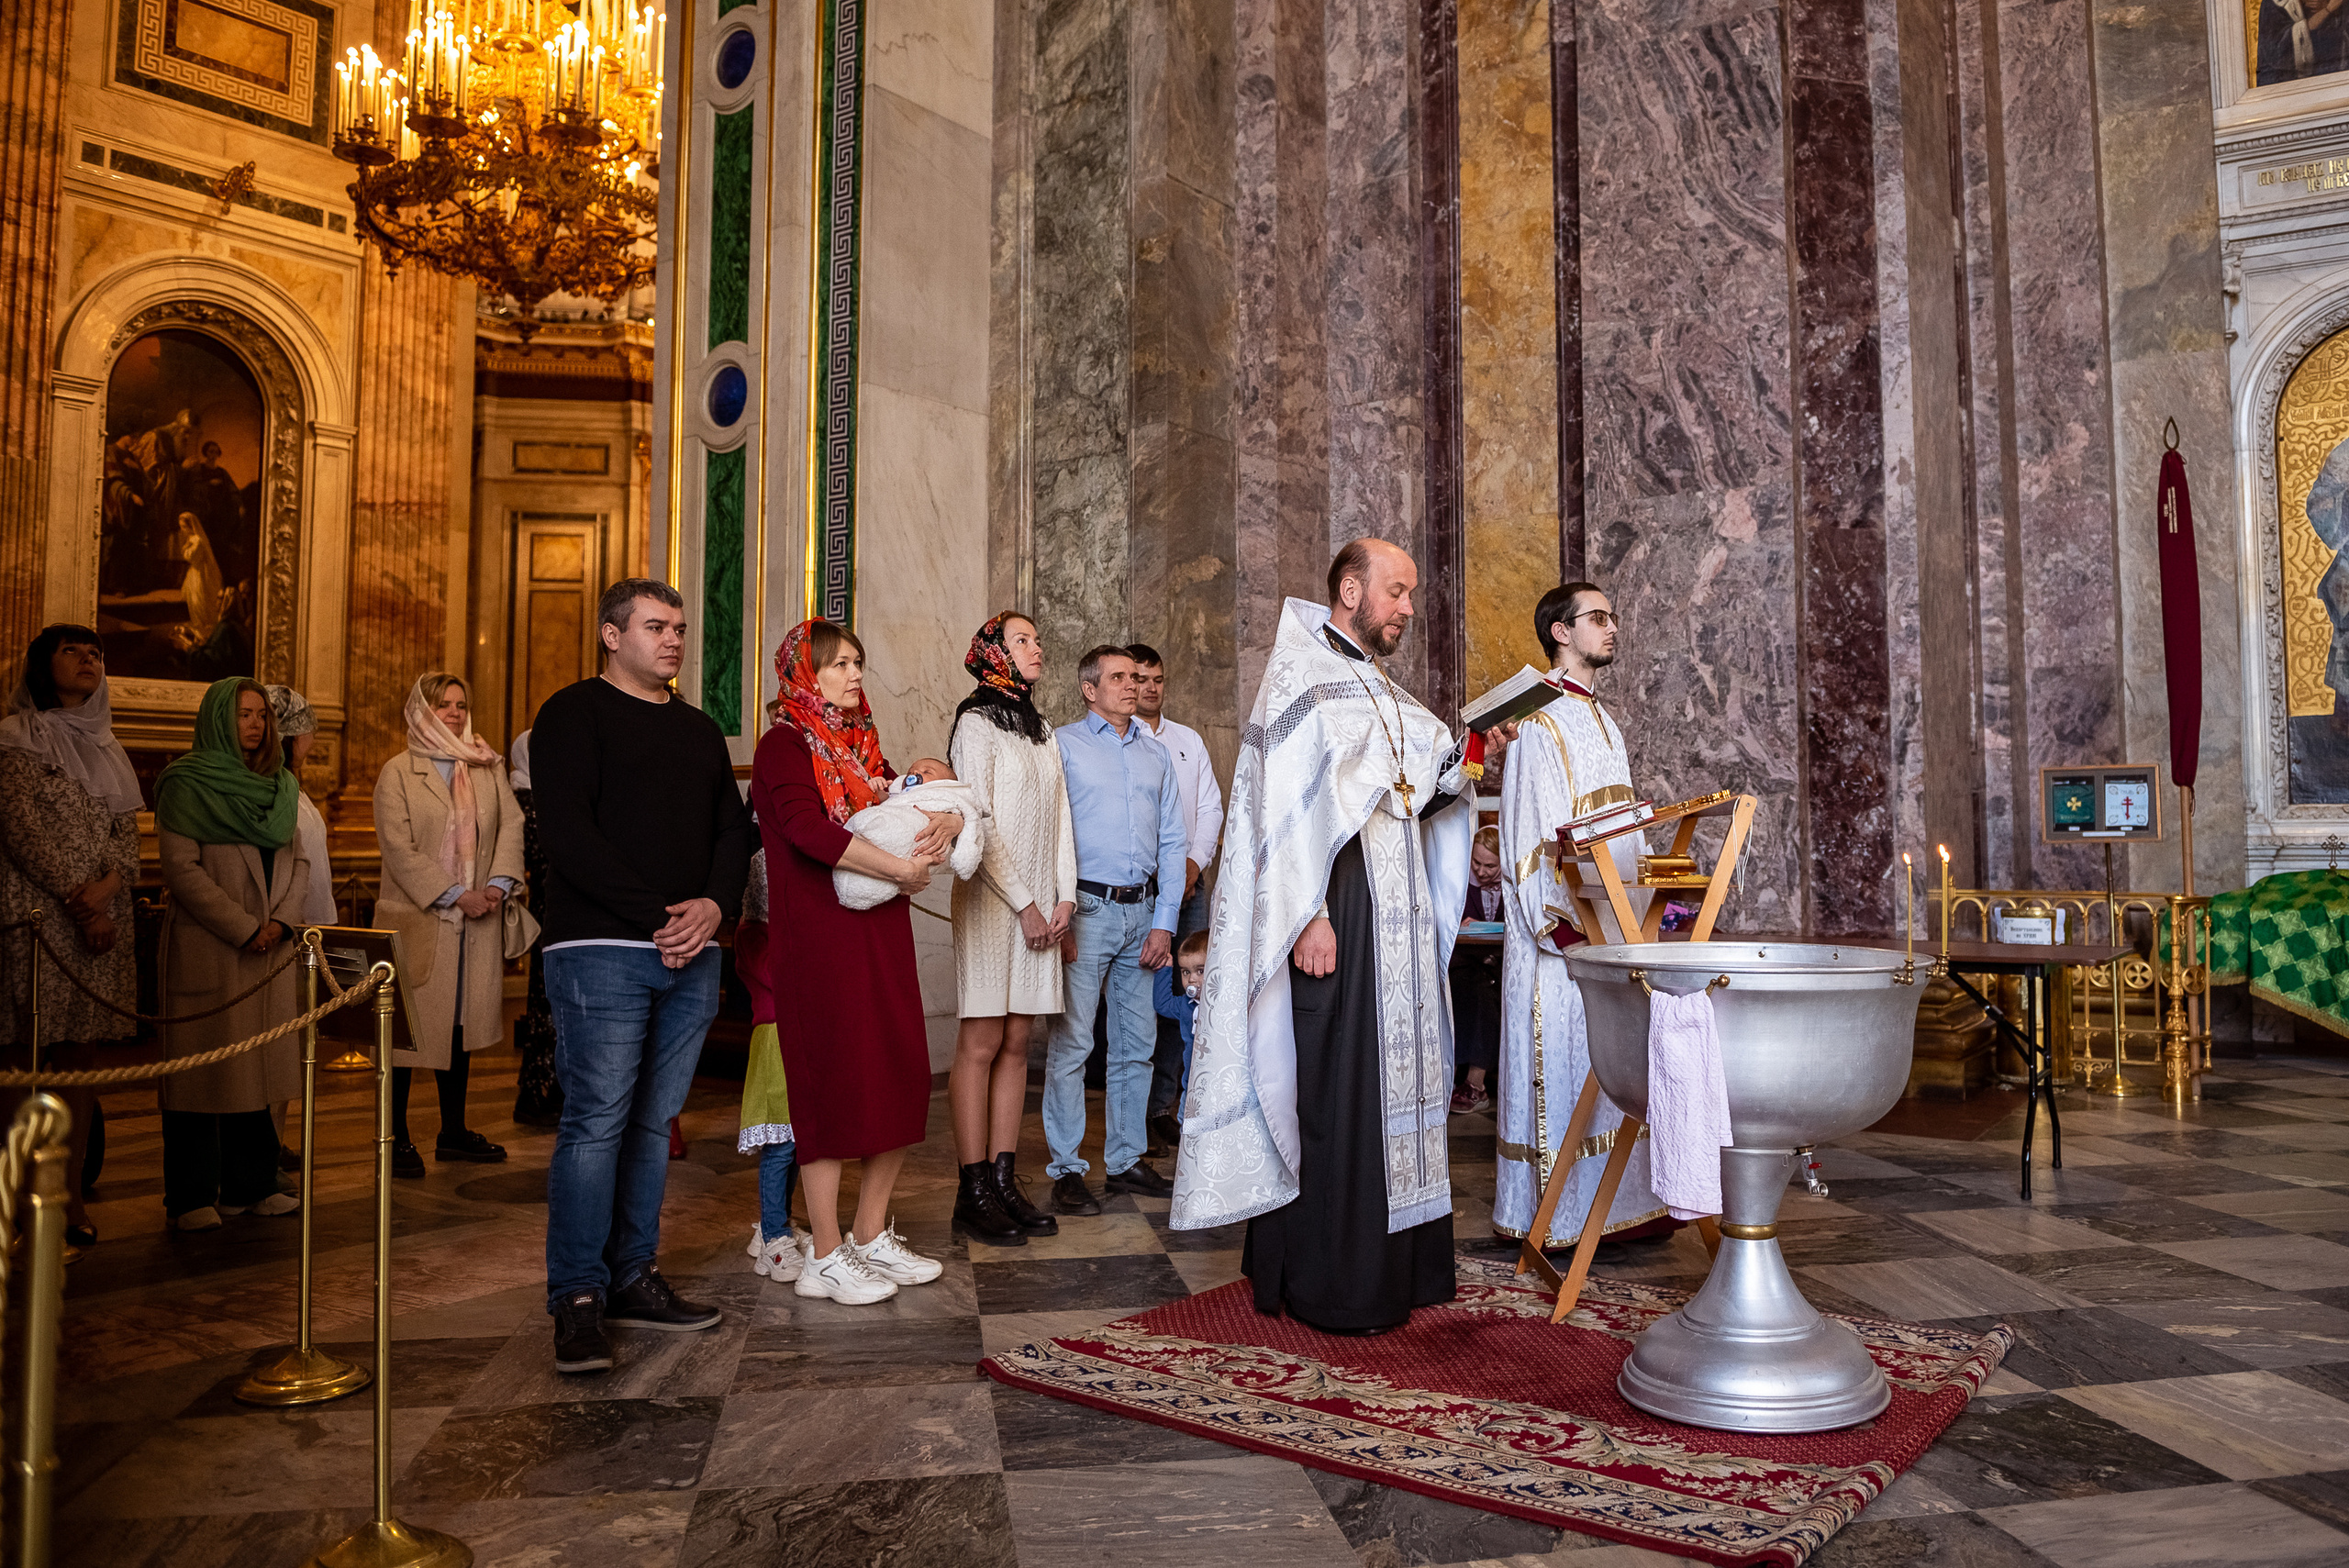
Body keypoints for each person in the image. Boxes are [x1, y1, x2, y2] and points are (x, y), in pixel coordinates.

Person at [1170, 539, 1486, 1335]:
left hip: (1396, 918)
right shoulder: (1301, 679)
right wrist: (1308, 912)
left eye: (1410, 594)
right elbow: (1280, 811)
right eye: (1396, 592)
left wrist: (1474, 757)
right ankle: (1332, 1282)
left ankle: (1400, 1269)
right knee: (1338, 1087)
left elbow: (1419, 788)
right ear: (1350, 589)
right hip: (1337, 910)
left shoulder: (1380, 687)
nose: (1407, 608)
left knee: (1394, 1087)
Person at [533, 578, 753, 1373]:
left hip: (692, 953)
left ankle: (632, 1273)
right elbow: (568, 835)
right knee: (596, 1121)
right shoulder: (571, 714)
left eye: (680, 628)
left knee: (653, 1123)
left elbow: (733, 831)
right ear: (611, 634)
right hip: (600, 947)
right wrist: (662, 916)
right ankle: (577, 1297)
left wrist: (714, 908)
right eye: (657, 626)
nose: (674, 640)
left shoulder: (698, 729)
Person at [756, 618, 962, 1304]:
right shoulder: (784, 744)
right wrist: (900, 868)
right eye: (838, 663)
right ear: (804, 673)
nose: (854, 673)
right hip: (818, 937)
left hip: (880, 928)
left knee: (898, 1071)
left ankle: (869, 1234)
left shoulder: (860, 746)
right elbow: (806, 829)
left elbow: (912, 796)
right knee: (831, 1084)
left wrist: (951, 819)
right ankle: (823, 1253)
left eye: (857, 662)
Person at [1494, 582, 1670, 1251]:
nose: (1612, 626)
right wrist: (1567, 931)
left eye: (1613, 616)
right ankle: (1560, 1217)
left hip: (1616, 934)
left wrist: (1652, 903)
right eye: (1597, 617)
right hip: (1567, 943)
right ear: (1560, 632)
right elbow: (1528, 837)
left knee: (1612, 1071)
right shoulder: (1537, 717)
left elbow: (1625, 828)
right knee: (1566, 1071)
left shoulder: (1603, 719)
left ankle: (1621, 1209)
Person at [0, 626, 144, 1248]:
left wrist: (110, 887)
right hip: (39, 920)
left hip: (100, 927)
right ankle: (13, 1197)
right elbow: (21, 829)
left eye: (96, 653)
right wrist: (82, 903)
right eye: (72, 651)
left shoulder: (108, 746)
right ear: (43, 664)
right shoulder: (14, 738)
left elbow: (127, 838)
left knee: (80, 1063)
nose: (89, 659)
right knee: (22, 1060)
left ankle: (69, 1194)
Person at [153, 678, 306, 1229]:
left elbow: (299, 863)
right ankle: (191, 1195)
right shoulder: (186, 783)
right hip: (212, 948)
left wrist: (281, 921)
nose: (256, 725)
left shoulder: (279, 784)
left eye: (262, 715)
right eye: (244, 714)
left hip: (270, 949)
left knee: (257, 1072)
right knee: (200, 1075)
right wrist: (245, 928)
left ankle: (252, 1184)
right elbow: (182, 870)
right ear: (219, 718)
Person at [1042, 646, 1187, 1216]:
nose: (1132, 685)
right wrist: (1061, 913)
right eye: (1119, 677)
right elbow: (1048, 833)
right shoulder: (1062, 746)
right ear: (1089, 689)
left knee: (1137, 1044)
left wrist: (1165, 924)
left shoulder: (1156, 754)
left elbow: (1173, 841)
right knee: (1074, 1043)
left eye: (1136, 677)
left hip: (1142, 914)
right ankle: (1066, 1169)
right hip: (1084, 909)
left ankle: (1125, 1161)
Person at [947, 612, 1074, 1247]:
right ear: (994, 651)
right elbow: (980, 820)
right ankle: (972, 1190)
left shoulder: (1041, 727)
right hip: (992, 903)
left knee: (1019, 1040)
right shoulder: (975, 722)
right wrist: (1025, 902)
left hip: (1041, 906)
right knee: (982, 1040)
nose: (1036, 648)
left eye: (1037, 639)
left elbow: (1061, 816)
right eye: (1022, 640)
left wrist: (1065, 896)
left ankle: (1003, 1180)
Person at [374, 673, 532, 1175]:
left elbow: (511, 825)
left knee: (459, 1027)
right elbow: (399, 850)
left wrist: (498, 884)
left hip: (476, 921)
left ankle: (453, 1132)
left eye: (461, 705)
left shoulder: (485, 765)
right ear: (422, 710)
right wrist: (457, 894)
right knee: (406, 1033)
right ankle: (395, 1137)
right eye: (443, 704)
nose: (455, 714)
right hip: (422, 920)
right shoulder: (398, 772)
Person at [1128, 644, 1224, 1152]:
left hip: (1190, 886)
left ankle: (1164, 1106)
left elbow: (1210, 808)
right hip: (1141, 890)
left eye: (1157, 679)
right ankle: (1133, 1114)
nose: (1149, 688)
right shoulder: (1120, 740)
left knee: (1190, 995)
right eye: (1139, 679)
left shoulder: (1187, 740)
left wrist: (1191, 866)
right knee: (1142, 998)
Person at [263, 684, 340, 1172]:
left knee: (289, 1048)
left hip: (305, 932)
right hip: (285, 932)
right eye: (308, 727)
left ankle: (271, 1143)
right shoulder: (272, 787)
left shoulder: (293, 784)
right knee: (274, 1048)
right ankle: (261, 1150)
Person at [734, 836, 806, 1281]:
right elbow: (780, 977)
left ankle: (777, 1223)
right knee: (780, 1147)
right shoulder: (754, 935)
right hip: (775, 1042)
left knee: (796, 1144)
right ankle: (771, 1236)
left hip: (795, 1039)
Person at [830, 756, 983, 909]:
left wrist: (955, 820)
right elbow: (890, 802)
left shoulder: (948, 796)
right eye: (910, 771)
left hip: (913, 850)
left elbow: (971, 817)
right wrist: (876, 792)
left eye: (927, 772)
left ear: (945, 784)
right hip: (872, 857)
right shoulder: (899, 793)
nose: (915, 773)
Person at [505, 728, 563, 1126]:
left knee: (556, 1007)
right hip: (547, 914)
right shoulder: (526, 800)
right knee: (546, 1006)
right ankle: (536, 1091)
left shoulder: (546, 796)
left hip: (556, 911)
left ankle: (552, 1089)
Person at [1449, 826, 1505, 1115]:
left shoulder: (1516, 885)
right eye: (1476, 863)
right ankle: (1458, 1080)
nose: (1481, 872)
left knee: (1489, 990)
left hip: (1502, 962)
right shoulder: (1456, 881)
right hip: (1466, 961)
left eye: (1490, 866)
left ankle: (1475, 1084)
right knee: (1469, 989)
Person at [1151, 929, 1208, 1104]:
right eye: (1185, 972)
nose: (1191, 979)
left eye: (1200, 971)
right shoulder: (1185, 1004)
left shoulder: (1224, 1005)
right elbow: (1162, 1004)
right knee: (1186, 1113)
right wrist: (1165, 970)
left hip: (1216, 1080)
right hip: (1190, 1084)